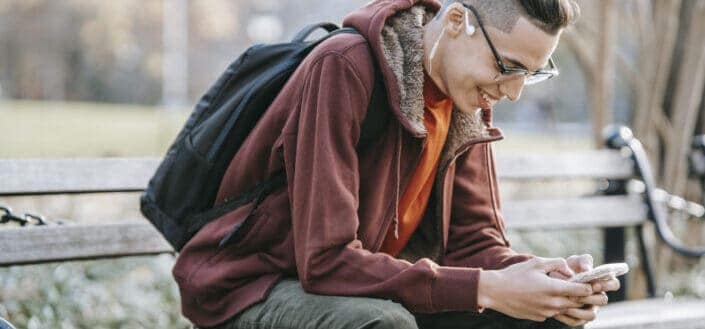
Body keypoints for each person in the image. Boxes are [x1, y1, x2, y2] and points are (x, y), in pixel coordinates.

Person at [174, 0, 621, 328]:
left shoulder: (468, 94)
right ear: (456, 22)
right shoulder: (344, 69)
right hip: (254, 287)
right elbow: (326, 262)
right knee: (382, 325)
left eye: (531, 73)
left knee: (542, 318)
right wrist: (487, 287)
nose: (513, 91)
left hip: (370, 285)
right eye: (508, 65)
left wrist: (547, 280)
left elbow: (473, 243)